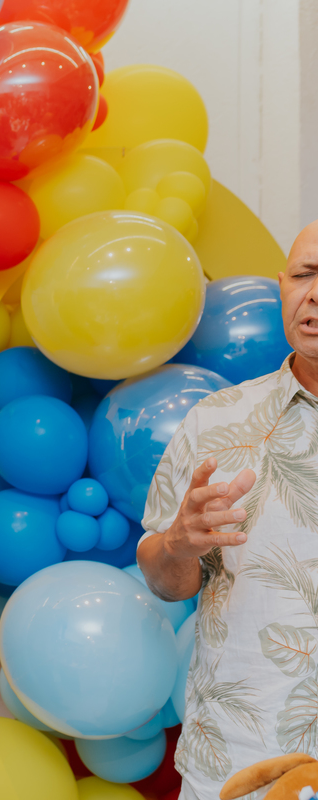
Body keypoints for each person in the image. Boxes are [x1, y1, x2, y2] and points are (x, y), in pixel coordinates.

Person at [137, 220, 318, 800]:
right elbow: (164, 580)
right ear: (282, 287)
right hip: (237, 761)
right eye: (305, 274)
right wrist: (177, 545)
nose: (314, 294)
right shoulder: (216, 420)